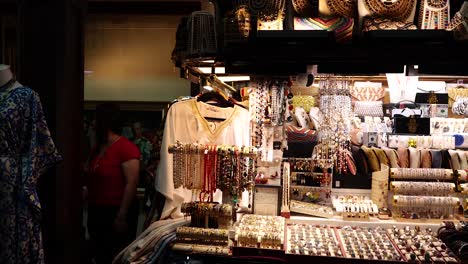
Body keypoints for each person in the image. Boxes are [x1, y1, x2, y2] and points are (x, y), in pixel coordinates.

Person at [85, 103, 141, 264]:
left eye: (96, 119)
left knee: (116, 256)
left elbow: (132, 183)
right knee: (100, 255)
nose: (93, 123)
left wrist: (121, 216)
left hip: (116, 211)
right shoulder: (97, 147)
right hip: (97, 210)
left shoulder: (126, 148)